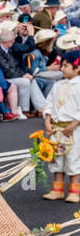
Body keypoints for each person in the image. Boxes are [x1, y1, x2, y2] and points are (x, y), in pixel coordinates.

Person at [41, 50, 80, 202]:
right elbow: (49, 103)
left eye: (66, 66)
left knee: (73, 158)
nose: (62, 68)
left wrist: (74, 124)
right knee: (56, 158)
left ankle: (74, 191)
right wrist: (47, 121)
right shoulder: (58, 85)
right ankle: (57, 190)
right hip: (57, 129)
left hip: (73, 130)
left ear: (77, 68)